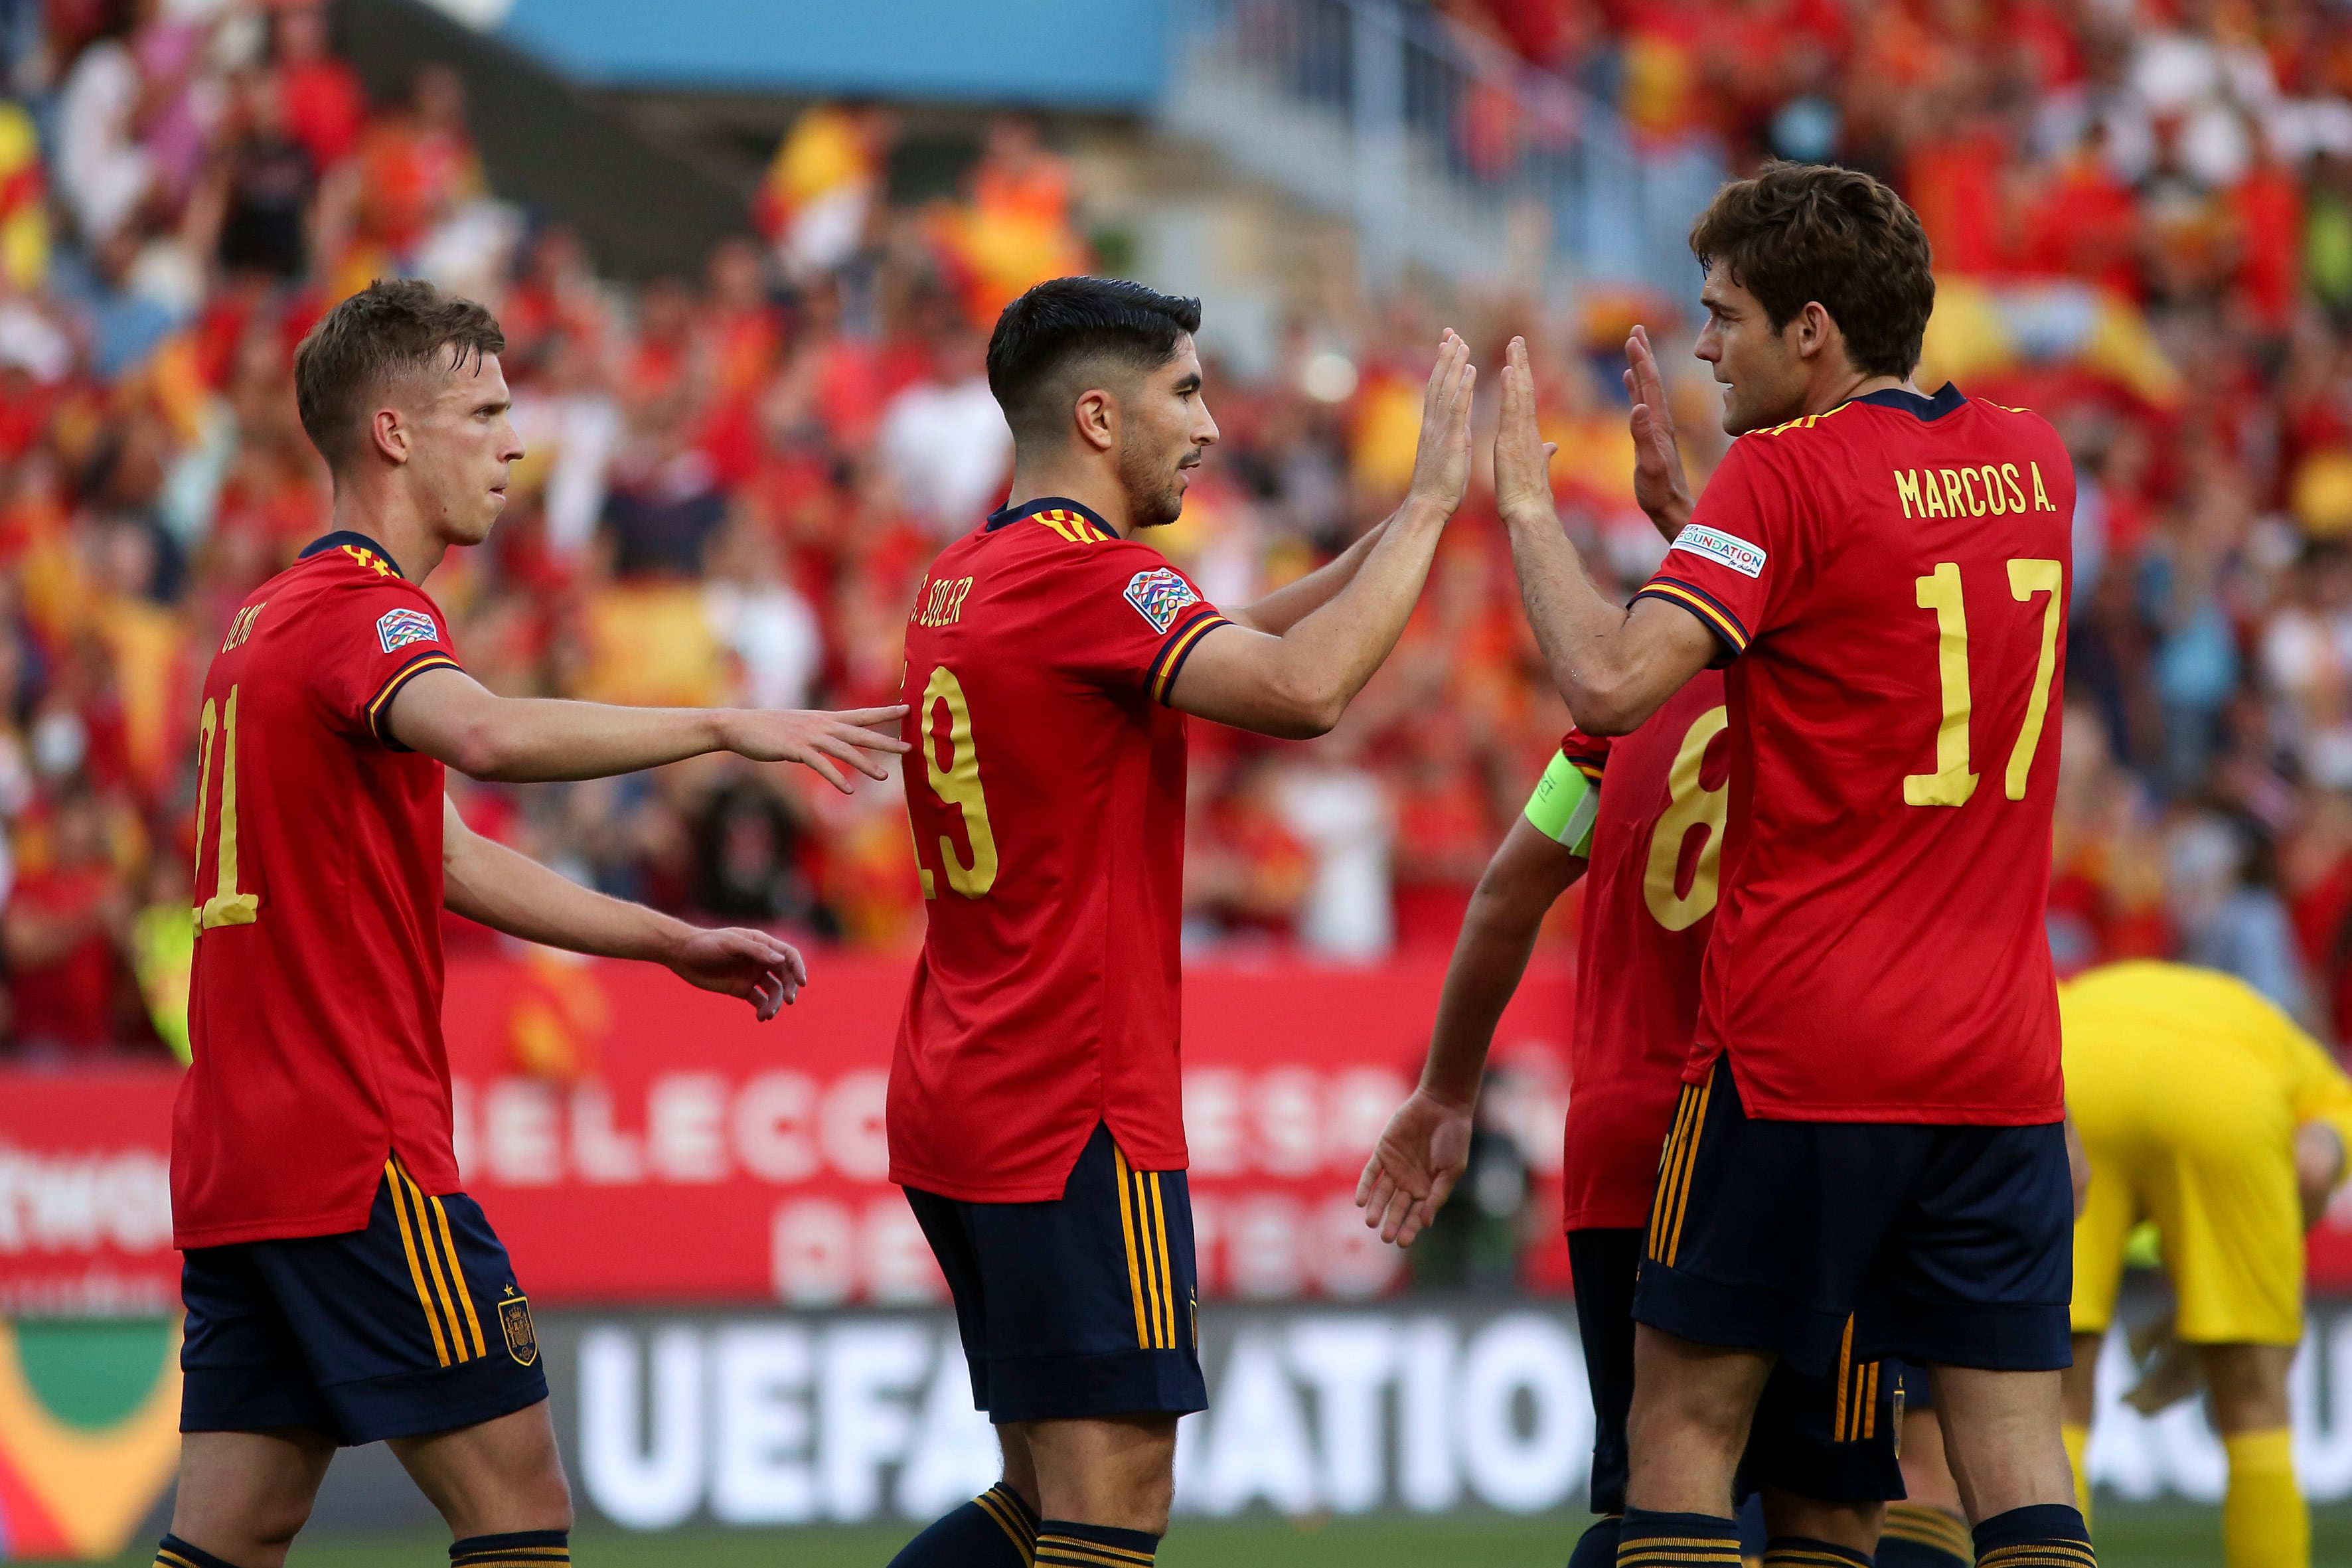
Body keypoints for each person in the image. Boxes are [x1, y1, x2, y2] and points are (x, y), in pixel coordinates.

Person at [159, 278, 906, 1568]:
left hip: (242, 1160)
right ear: (394, 431)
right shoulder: (366, 611)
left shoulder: (266, 620)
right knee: (517, 1504)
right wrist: (727, 720)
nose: (516, 441)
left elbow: (439, 852)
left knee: (235, 1530)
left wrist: (663, 938)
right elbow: (491, 733)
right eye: (487, 410)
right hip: (357, 1149)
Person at [1468, 161, 2088, 1567]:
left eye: (1722, 313)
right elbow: (1858, 587)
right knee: (2011, 1462)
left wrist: (1521, 508)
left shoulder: (1786, 474)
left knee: (1682, 1430)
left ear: (1809, 331)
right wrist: (1713, 534)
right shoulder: (2035, 459)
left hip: (1797, 1050)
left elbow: (1615, 688)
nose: (1701, 344)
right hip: (1994, 1058)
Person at [884, 275, 1474, 1568]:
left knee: (1036, 1496)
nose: (1210, 425)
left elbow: (1225, 634)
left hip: (961, 1082)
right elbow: (1303, 689)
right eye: (1186, 392)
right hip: (1072, 1101)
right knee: (1113, 1503)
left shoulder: (965, 575)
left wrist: (1407, 525)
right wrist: (1429, 503)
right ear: (1100, 415)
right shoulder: (1093, 578)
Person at [1358, 324, 1922, 1567]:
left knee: (1659, 1499)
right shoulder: (1876, 701)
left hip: (1626, 1143)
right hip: (1805, 1115)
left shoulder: (1622, 720)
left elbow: (1504, 896)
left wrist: (1447, 1091)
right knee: (1834, 1511)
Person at [2059, 959, 2352, 1568]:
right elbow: (2315, 1165)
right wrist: (2240, 1287)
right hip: (2220, 1091)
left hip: (2074, 1071)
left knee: (2049, 1396)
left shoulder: (2078, 994)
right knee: (2254, 1401)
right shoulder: (2277, 1036)